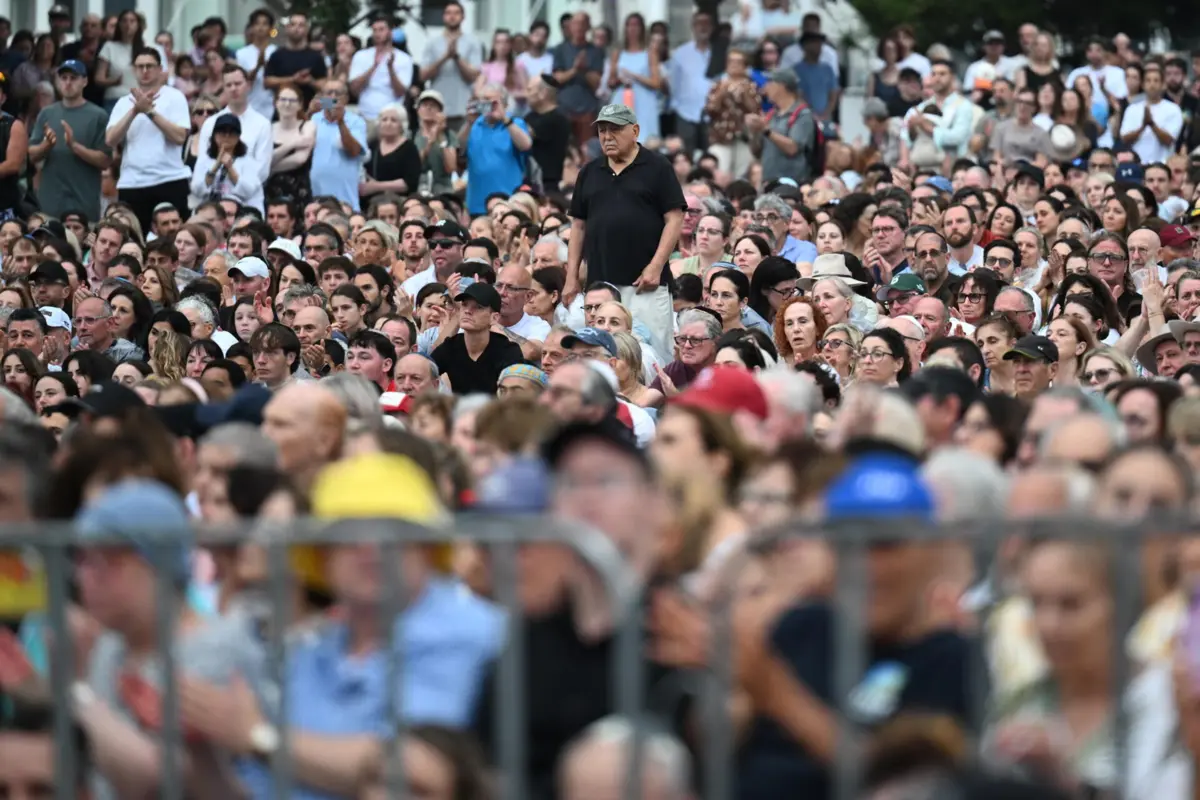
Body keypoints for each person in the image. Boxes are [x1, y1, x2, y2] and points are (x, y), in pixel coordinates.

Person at [567, 103, 683, 357]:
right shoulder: (589, 171)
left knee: (653, 352)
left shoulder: (658, 167)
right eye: (602, 131)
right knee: (602, 353)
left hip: (645, 283)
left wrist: (655, 266)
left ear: (635, 131)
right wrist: (571, 277)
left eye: (615, 130)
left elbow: (675, 219)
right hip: (601, 283)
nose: (607, 137)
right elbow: (578, 225)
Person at [104, 47, 190, 234]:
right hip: (132, 182)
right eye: (140, 66)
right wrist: (135, 110)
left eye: (149, 66)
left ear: (160, 69)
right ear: (134, 70)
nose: (145, 71)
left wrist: (150, 112)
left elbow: (179, 137)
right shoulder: (123, 103)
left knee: (174, 239)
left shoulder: (175, 97)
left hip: (169, 179)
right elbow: (110, 140)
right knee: (132, 238)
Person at [29, 59, 111, 221]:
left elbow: (105, 161)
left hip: (84, 204)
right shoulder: (46, 113)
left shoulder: (98, 116)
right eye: (64, 77)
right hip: (50, 204)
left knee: (85, 244)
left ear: (85, 81)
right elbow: (31, 155)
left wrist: (74, 146)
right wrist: (46, 145)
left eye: (73, 78)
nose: (67, 82)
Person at [432, 282, 523, 394]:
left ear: (494, 318)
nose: (468, 311)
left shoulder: (508, 352)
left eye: (478, 307)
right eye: (464, 305)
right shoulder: (450, 347)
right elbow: (425, 371)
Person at [461, 84, 533, 216]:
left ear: (504, 103)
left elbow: (526, 145)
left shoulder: (515, 123)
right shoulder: (475, 124)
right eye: (482, 100)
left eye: (491, 101)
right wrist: (468, 123)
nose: (486, 104)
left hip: (508, 201)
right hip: (477, 203)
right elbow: (459, 149)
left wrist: (504, 118)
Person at [195, 64, 273, 185]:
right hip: (214, 192)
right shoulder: (210, 123)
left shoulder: (262, 124)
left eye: (238, 84)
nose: (233, 88)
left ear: (248, 85)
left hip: (248, 194)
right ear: (224, 88)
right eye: (228, 85)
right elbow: (203, 162)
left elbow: (262, 169)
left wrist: (238, 183)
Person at [420, 1, 484, 128]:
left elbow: (473, 75)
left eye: (456, 13)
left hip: (462, 108)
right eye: (448, 13)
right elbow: (423, 75)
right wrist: (444, 57)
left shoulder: (473, 42)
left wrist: (456, 57)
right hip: (437, 108)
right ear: (443, 16)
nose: (452, 16)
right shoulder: (432, 42)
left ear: (463, 17)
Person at [308, 79, 368, 211]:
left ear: (346, 99)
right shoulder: (314, 119)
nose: (333, 97)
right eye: (329, 93)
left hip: (346, 199)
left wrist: (340, 121)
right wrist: (308, 112)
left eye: (338, 93)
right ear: (322, 97)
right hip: (316, 196)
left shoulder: (356, 121)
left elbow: (354, 150)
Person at [748, 69, 817, 184]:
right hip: (768, 180)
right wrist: (755, 131)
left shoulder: (802, 115)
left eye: (769, 83)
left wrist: (766, 130)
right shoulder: (771, 115)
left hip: (791, 182)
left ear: (781, 86)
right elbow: (757, 151)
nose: (765, 88)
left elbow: (793, 148)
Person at [190, 113, 264, 212]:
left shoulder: (248, 161)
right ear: (214, 135)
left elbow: (248, 190)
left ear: (238, 137)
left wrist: (229, 167)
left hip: (240, 210)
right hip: (211, 209)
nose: (227, 137)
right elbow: (197, 189)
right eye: (222, 133)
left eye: (232, 133)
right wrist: (216, 166)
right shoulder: (204, 160)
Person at [349, 13, 414, 125]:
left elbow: (400, 92)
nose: (377, 33)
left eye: (381, 29)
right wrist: (374, 66)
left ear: (390, 31)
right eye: (374, 30)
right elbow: (354, 89)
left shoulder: (404, 59)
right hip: (365, 116)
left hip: (391, 119)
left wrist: (390, 69)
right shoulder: (361, 55)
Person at [550, 11, 604, 148]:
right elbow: (557, 78)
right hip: (564, 109)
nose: (579, 27)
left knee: (586, 153)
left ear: (588, 27)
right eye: (575, 23)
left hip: (587, 112)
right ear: (570, 27)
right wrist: (575, 69)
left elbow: (596, 83)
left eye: (582, 23)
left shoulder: (596, 51)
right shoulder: (560, 49)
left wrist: (584, 69)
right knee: (564, 151)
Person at [1119, 62, 1183, 165]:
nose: (1152, 84)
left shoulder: (1173, 109)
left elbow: (1169, 140)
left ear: (1163, 85)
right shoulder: (1132, 109)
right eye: (1148, 81)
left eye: (1156, 81)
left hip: (1163, 164)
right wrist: (1142, 126)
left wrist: (1152, 124)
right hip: (1137, 164)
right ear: (1143, 85)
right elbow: (1124, 138)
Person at [263, 11, 327, 107]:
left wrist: (310, 81)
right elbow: (267, 82)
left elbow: (325, 86)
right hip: (282, 111)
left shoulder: (316, 56)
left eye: (301, 25)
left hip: (309, 112)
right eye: (293, 24)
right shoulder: (277, 55)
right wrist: (293, 79)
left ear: (306, 30)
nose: (296, 28)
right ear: (287, 28)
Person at [236, 8, 277, 120]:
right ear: (252, 28)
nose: (260, 27)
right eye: (257, 23)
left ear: (270, 28)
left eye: (264, 24)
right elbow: (242, 81)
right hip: (250, 106)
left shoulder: (276, 52)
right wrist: (258, 66)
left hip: (273, 107)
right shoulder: (242, 53)